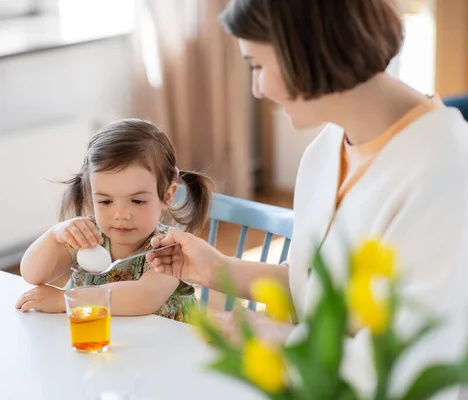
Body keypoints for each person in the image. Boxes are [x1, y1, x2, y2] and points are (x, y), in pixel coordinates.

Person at [147, 0, 468, 397]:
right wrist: (217, 270)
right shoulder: (326, 150)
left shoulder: (445, 168)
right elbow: (319, 295)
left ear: (305, 48)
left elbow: (412, 362)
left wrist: (282, 339)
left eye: (258, 66)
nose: (257, 88)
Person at [16, 119, 213, 323]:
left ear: (167, 195)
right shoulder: (89, 236)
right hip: (103, 341)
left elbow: (143, 298)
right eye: (106, 201)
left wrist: (64, 300)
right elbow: (33, 274)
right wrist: (54, 235)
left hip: (165, 348)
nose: (121, 215)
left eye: (137, 201)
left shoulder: (169, 249)